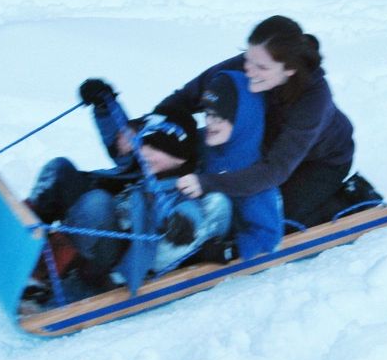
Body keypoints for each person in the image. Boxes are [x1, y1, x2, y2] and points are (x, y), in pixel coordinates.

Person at [24, 80, 231, 299]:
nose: (146, 153)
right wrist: (104, 105)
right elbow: (120, 132)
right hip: (96, 228)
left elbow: (190, 210)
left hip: (116, 256)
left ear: (181, 159)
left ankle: (50, 275)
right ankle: (25, 238)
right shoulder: (141, 163)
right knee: (60, 169)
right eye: (145, 144)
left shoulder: (180, 187)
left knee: (96, 202)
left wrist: (182, 224)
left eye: (158, 149)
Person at [153, 15, 358, 228]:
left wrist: (209, 183)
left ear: (289, 69)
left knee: (274, 218)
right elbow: (188, 96)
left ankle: (350, 198)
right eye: (248, 58)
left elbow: (274, 169)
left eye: (261, 67)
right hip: (264, 143)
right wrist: (152, 124)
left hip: (321, 161)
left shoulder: (314, 99)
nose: (249, 70)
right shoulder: (252, 64)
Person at [194, 70, 283, 262]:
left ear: (243, 120)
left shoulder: (254, 177)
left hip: (221, 236)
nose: (209, 122)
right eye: (208, 114)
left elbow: (268, 235)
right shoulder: (207, 144)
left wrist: (230, 250)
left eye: (218, 117)